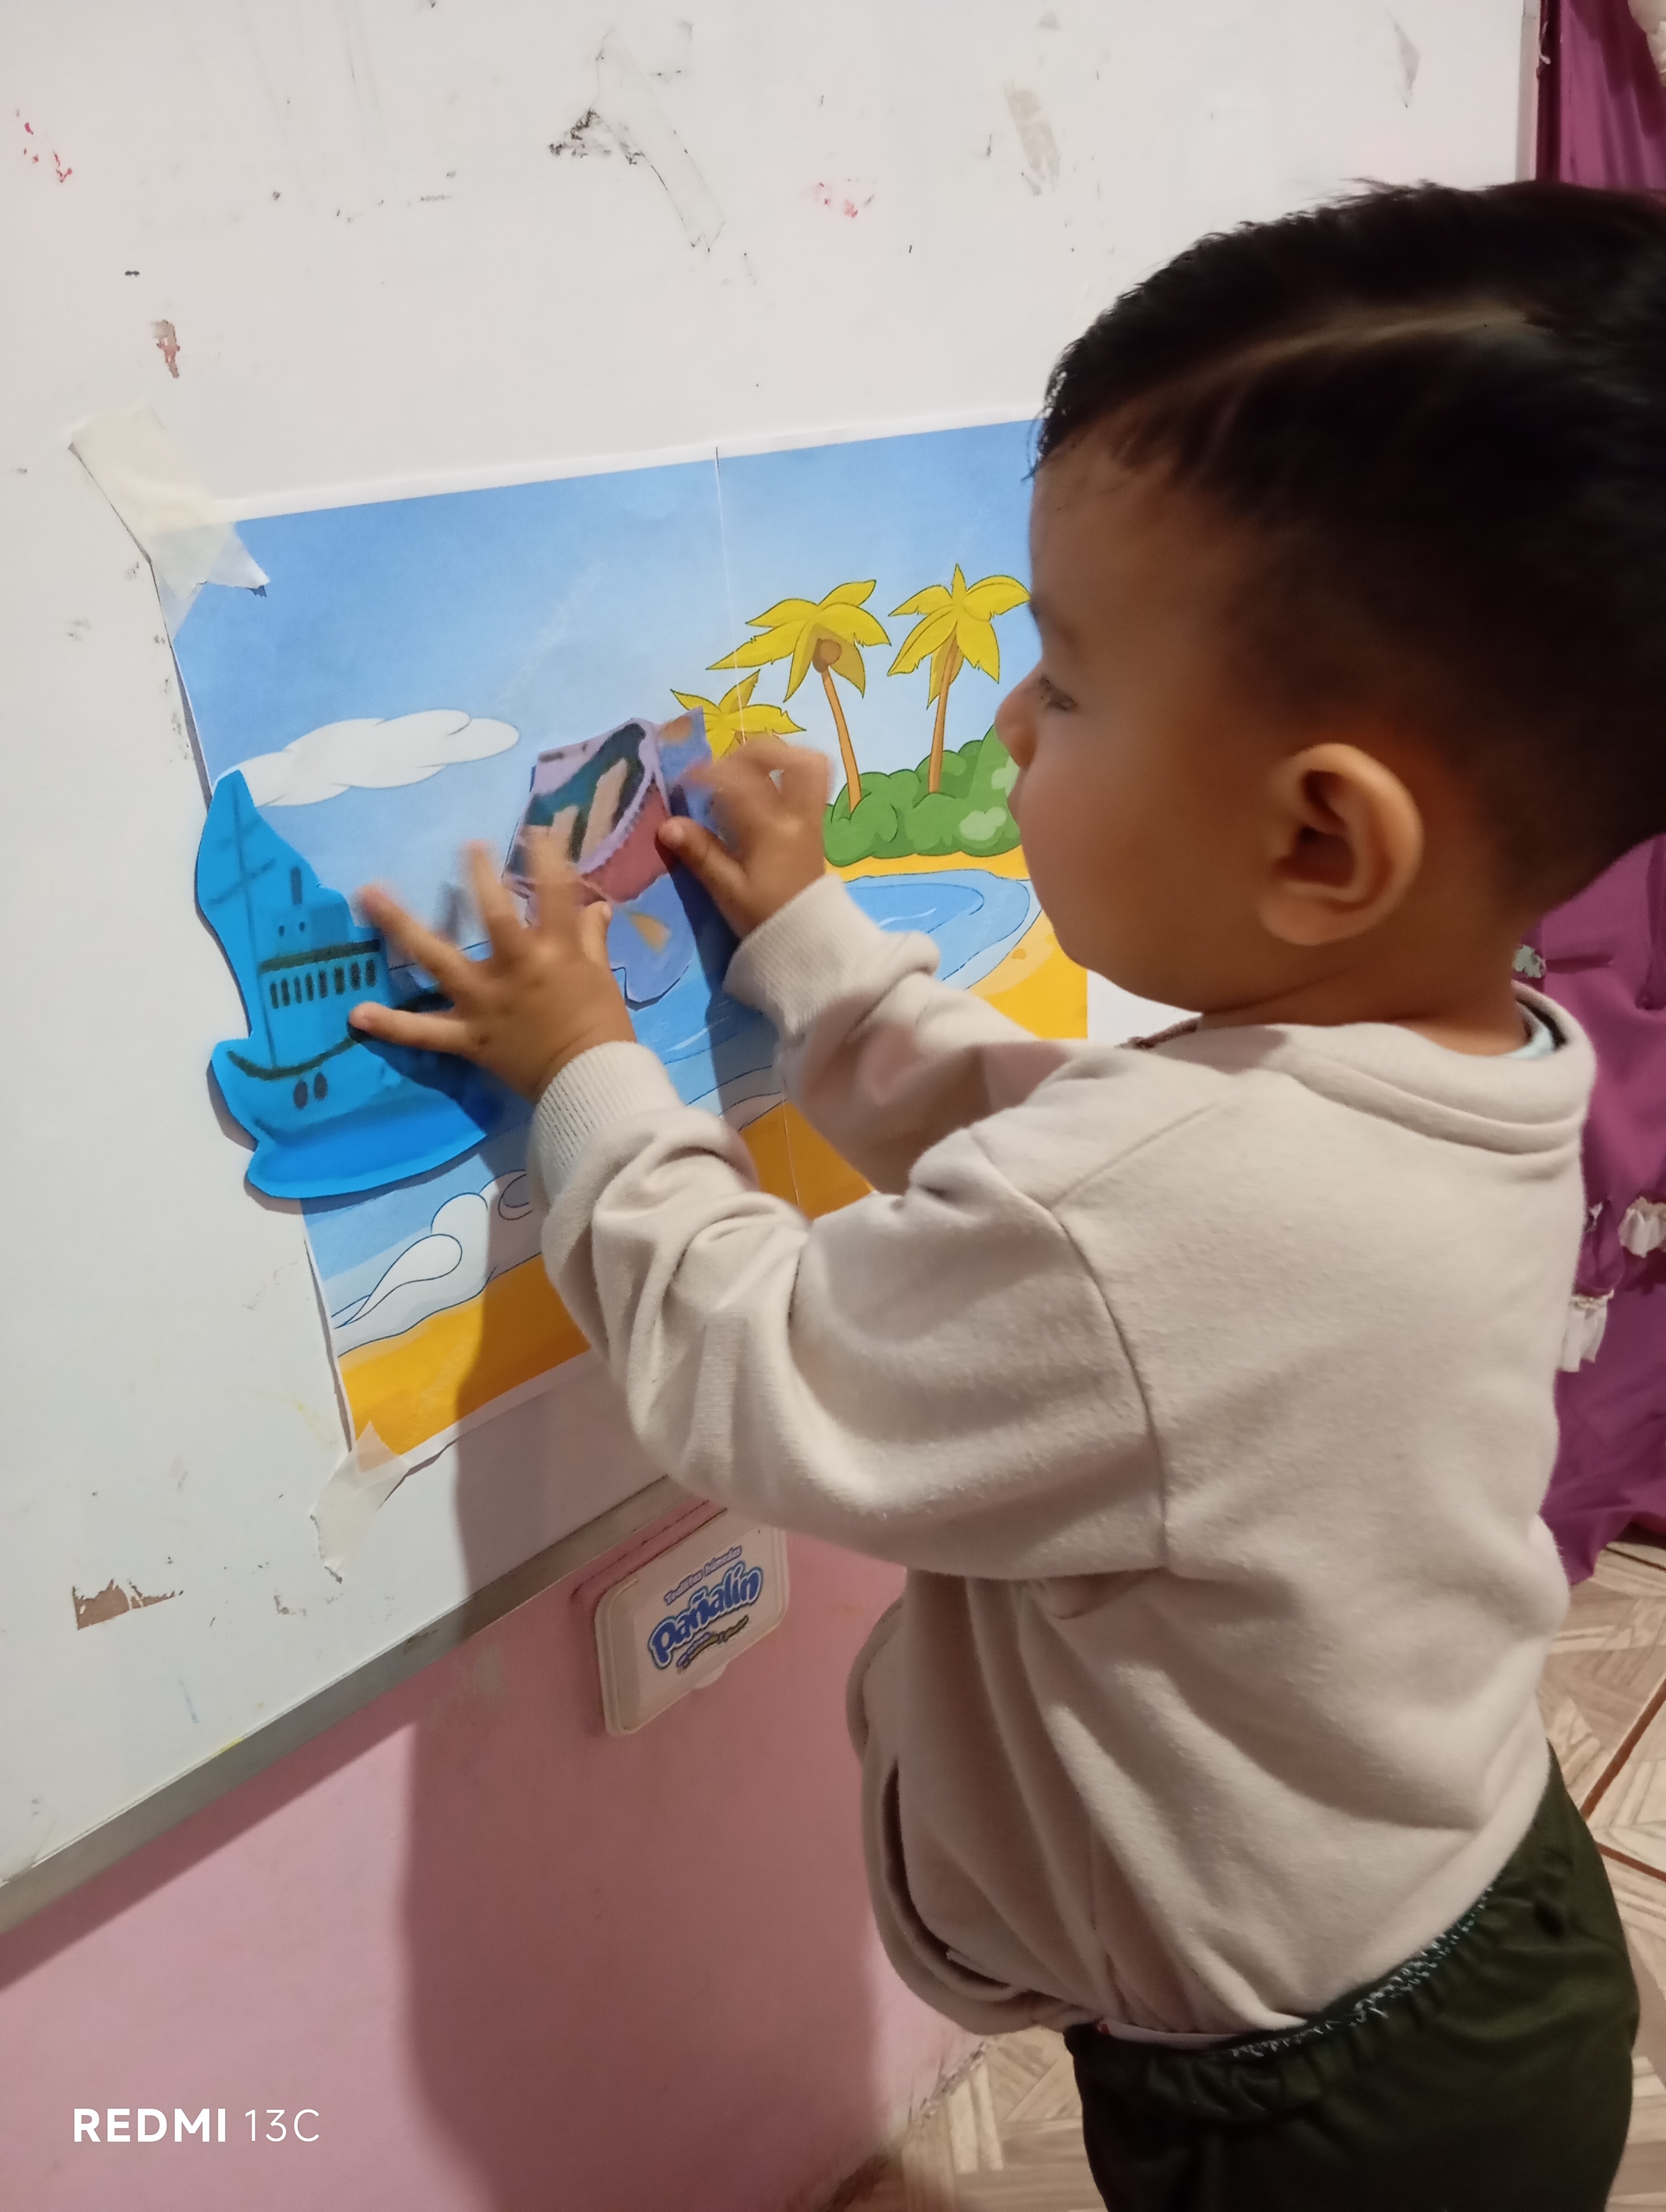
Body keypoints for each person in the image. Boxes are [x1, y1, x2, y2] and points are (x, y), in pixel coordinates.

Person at [348, 181, 1661, 2208]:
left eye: (1067, 677)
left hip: (1313, 2111)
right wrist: (808, 940)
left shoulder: (1175, 1217)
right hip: (1485, 1912)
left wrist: (587, 1070)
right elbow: (1072, 1179)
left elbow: (761, 1366)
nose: (1011, 718)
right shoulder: (1479, 1060)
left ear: (1321, 843)